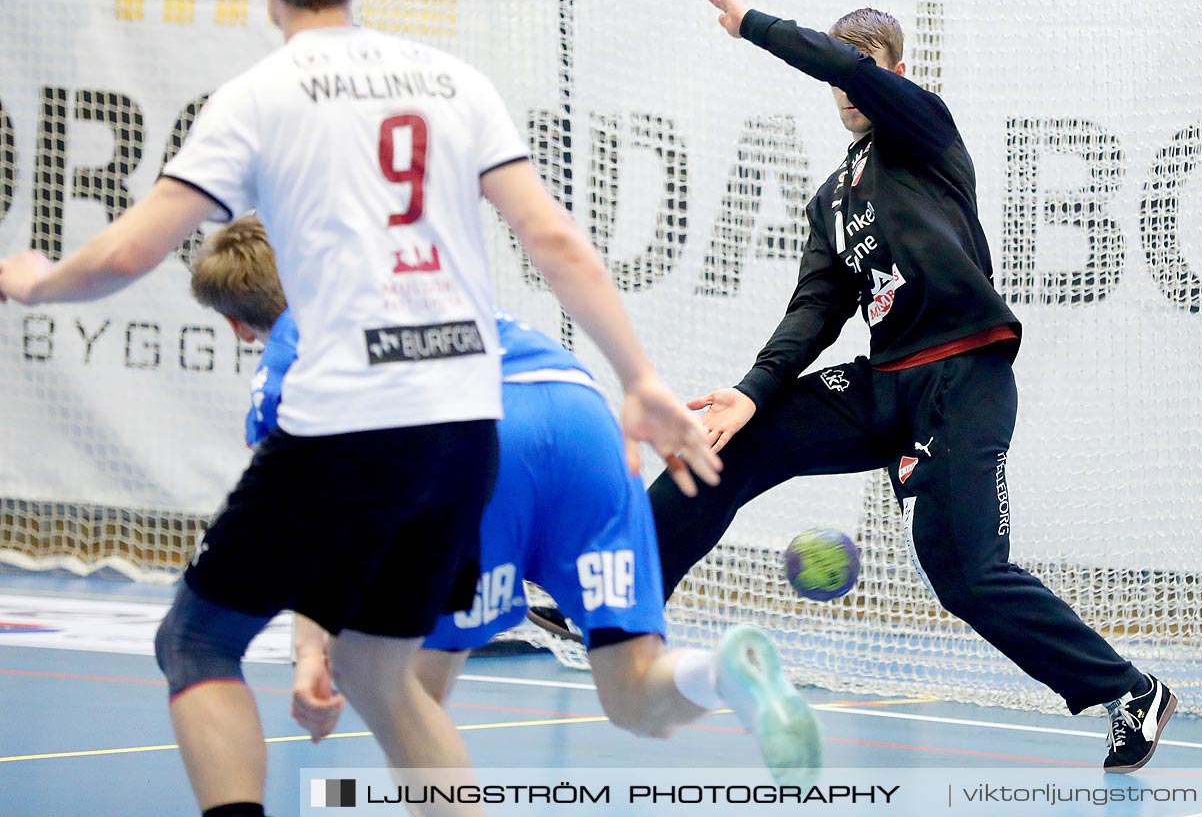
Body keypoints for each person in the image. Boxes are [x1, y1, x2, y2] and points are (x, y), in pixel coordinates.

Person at [0, 0, 721, 817]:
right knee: (383, 675)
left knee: (197, 645)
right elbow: (557, 240)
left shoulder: (258, 96)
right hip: (467, 431)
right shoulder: (454, 81)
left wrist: (36, 281)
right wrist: (641, 377)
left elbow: (133, 250)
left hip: (351, 423)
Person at [647, 0, 1177, 773]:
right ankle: (618, 606)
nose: (847, 80)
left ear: (893, 73)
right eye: (840, 64)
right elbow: (814, 310)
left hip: (962, 377)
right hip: (884, 384)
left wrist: (751, 21)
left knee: (966, 578)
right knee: (718, 447)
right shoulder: (831, 196)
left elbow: (850, 69)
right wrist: (752, 394)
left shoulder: (924, 132)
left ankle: (1130, 691)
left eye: (861, 63)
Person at [186, 215, 820, 782]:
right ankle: (720, 673)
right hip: (581, 415)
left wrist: (307, 651)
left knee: (407, 701)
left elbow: (312, 516)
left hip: (483, 440)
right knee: (634, 698)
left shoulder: (287, 357)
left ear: (240, 325)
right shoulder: (400, 282)